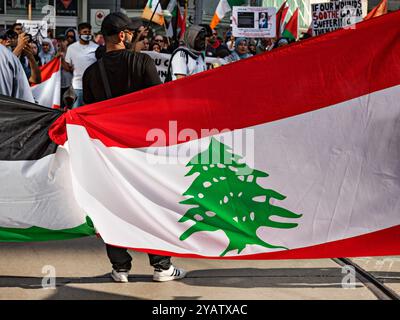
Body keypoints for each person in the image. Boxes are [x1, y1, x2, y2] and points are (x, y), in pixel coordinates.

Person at [82, 12, 186, 283]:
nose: (131, 35)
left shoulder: (92, 73)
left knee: (113, 206)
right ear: (122, 36)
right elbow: (160, 106)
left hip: (108, 151)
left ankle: (120, 268)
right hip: (143, 149)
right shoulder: (142, 62)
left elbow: (90, 115)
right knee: (152, 204)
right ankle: (161, 266)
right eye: (128, 32)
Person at [62, 23, 98, 108]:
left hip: (92, 88)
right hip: (77, 87)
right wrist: (61, 59)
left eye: (89, 32)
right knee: (75, 113)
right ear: (79, 33)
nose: (87, 34)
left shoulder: (96, 48)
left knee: (90, 112)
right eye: (85, 32)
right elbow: (67, 67)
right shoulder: (72, 48)